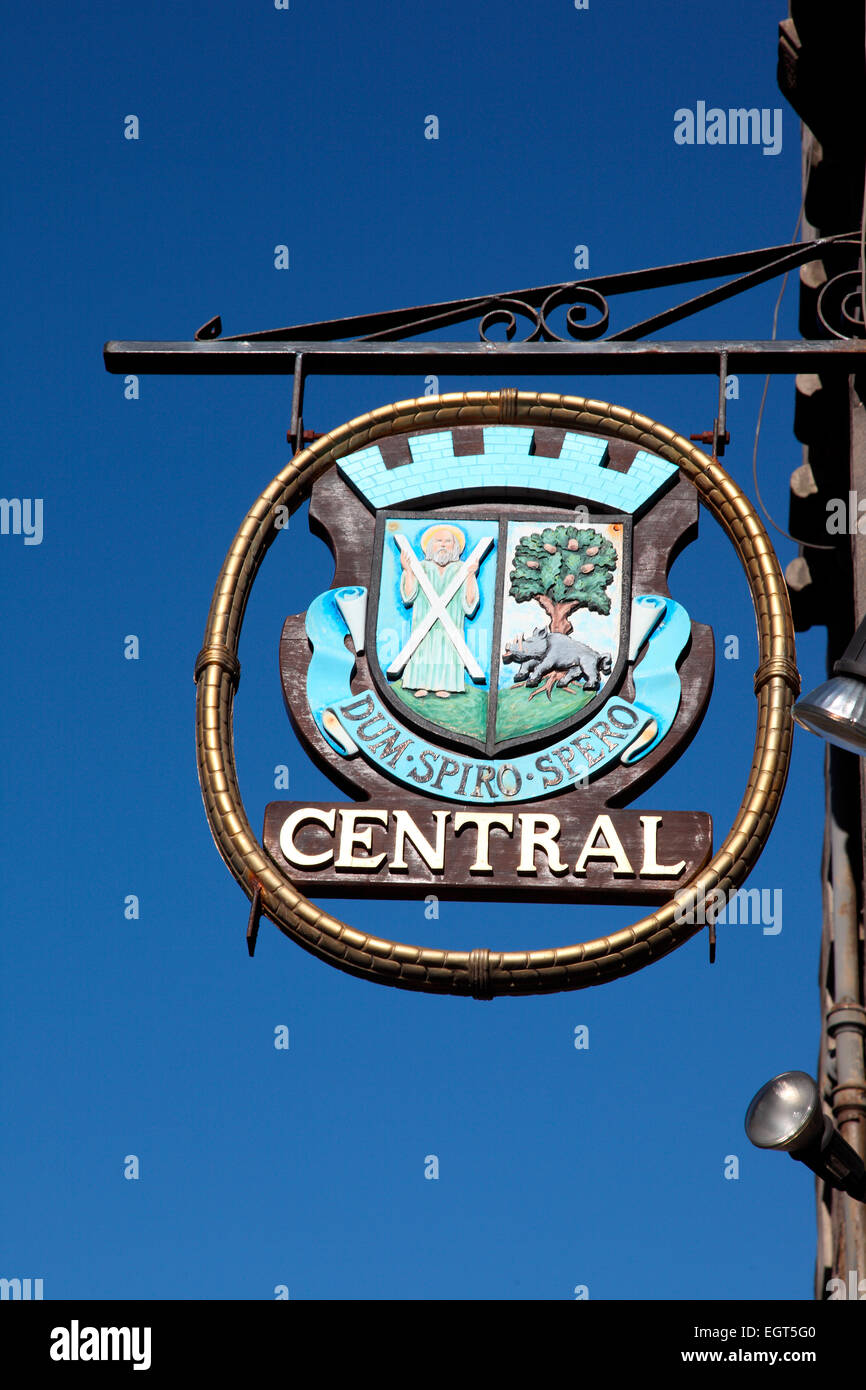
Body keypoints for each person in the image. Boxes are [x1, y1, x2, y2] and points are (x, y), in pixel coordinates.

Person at [399, 525, 479, 698]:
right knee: (422, 649)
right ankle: (419, 684)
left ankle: (446, 685)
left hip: (451, 623)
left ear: (455, 546)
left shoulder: (462, 569)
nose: (443, 545)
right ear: (430, 545)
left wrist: (471, 575)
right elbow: (409, 595)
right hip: (423, 622)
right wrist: (408, 570)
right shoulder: (421, 567)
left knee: (449, 650)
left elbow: (469, 602)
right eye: (438, 541)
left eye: (448, 541)